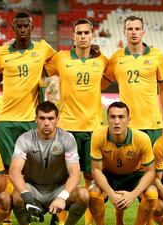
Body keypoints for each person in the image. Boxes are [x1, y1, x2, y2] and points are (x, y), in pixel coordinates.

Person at [45, 18, 109, 225]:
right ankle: (60, 220)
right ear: (73, 36)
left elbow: (107, 79)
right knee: (66, 179)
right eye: (78, 33)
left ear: (92, 36)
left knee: (93, 179)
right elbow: (40, 69)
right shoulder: (61, 58)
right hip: (67, 129)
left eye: (86, 33)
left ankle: (89, 222)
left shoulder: (102, 61)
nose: (82, 37)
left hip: (93, 129)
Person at [9, 101, 89, 225]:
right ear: (35, 119)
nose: (46, 123)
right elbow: (14, 171)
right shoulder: (25, 139)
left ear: (57, 119)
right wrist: (27, 197)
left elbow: (75, 173)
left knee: (83, 195)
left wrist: (62, 197)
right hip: (33, 188)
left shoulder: (67, 138)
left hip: (58, 188)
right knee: (17, 195)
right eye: (42, 118)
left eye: (51, 118)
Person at [0, 11, 55, 169]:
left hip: (30, 118)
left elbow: (60, 61)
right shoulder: (2, 52)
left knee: (31, 165)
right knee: (5, 166)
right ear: (13, 27)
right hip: (6, 119)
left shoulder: (43, 48)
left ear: (32, 27)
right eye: (19, 26)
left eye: (26, 26)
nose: (22, 29)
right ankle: (6, 193)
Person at [89, 101, 158, 225]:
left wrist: (133, 195)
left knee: (152, 194)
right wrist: (111, 194)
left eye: (121, 117)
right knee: (93, 194)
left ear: (128, 120)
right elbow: (96, 170)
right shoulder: (98, 136)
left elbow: (151, 171)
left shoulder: (142, 138)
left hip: (134, 175)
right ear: (107, 119)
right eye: (112, 117)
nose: (116, 122)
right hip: (108, 175)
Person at [104, 15, 163, 146]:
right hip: (126, 123)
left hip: (152, 124)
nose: (134, 32)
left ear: (143, 32)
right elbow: (102, 84)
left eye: (137, 29)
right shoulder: (116, 58)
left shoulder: (157, 55)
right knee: (128, 166)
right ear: (124, 32)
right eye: (130, 29)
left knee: (153, 165)